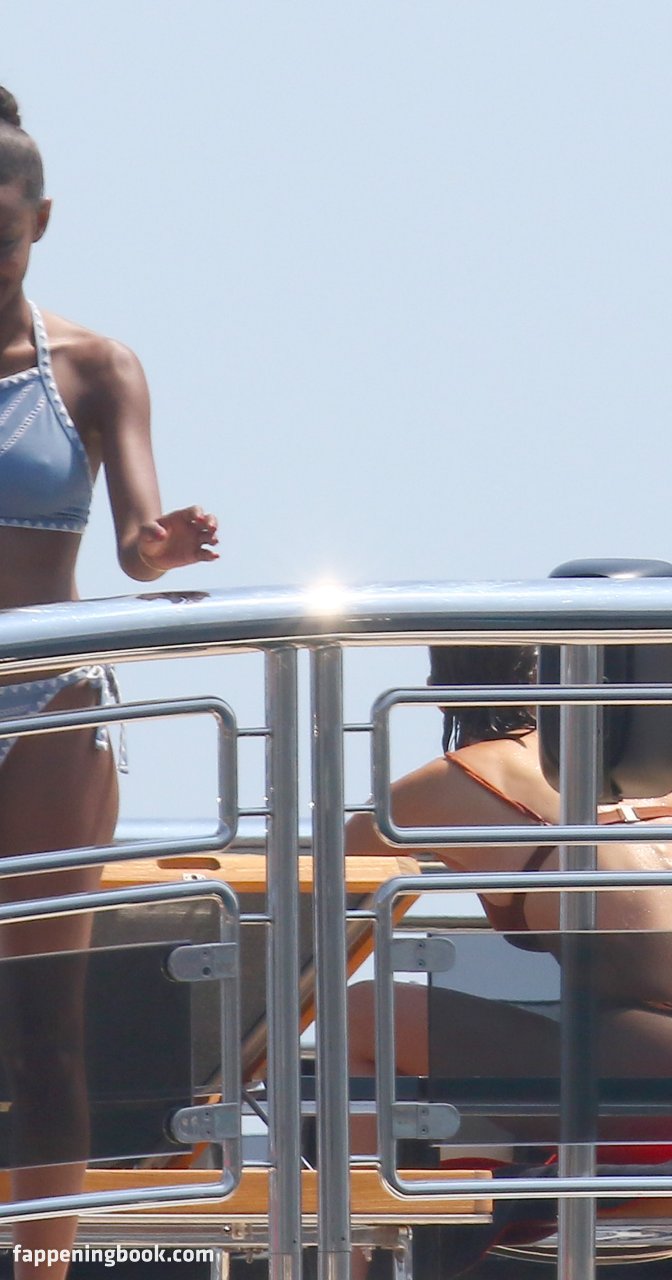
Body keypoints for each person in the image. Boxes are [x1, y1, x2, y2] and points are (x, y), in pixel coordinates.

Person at [0, 86, 218, 1279]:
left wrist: (165, 545)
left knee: (45, 1029)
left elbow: (137, 540)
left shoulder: (91, 367)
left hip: (42, 700)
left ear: (41, 221)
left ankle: (42, 1268)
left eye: (1, 232)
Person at [345, 645, 672, 1145]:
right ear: (553, 681)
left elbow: (322, 879)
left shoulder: (445, 782)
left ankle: (363, 1197)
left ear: (439, 695)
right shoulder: (663, 777)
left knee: (359, 1012)